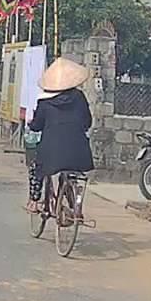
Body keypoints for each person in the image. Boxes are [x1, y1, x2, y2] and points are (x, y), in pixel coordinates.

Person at [26, 57, 95, 213]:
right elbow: (87, 122)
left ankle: (34, 201)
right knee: (74, 172)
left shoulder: (44, 102)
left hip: (52, 152)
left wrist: (31, 123)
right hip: (79, 151)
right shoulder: (79, 97)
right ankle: (75, 204)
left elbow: (37, 126)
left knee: (36, 167)